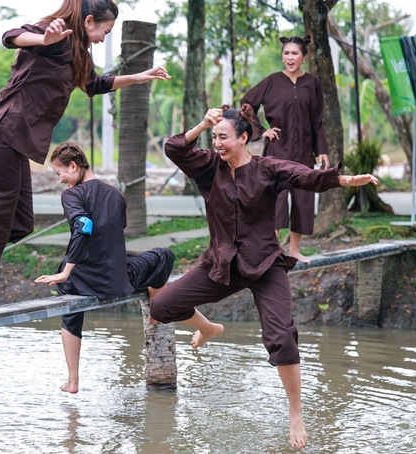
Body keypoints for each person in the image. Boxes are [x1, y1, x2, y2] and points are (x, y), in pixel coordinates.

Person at [0, 0, 171, 321]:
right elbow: (12, 35)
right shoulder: (56, 39)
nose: (105, 38)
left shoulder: (78, 51)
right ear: (89, 20)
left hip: (15, 144)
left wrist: (137, 77)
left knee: (19, 222)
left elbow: (94, 84)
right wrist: (43, 40)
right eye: (105, 31)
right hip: (1, 136)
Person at [149, 105, 377, 449]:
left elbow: (303, 175)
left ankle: (296, 413)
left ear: (244, 138)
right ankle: (208, 328)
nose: (217, 143)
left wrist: (341, 179)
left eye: (223, 137)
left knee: (281, 336)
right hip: (221, 264)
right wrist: (203, 124)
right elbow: (174, 148)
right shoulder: (209, 168)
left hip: (265, 265)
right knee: (162, 305)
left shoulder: (266, 168)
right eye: (215, 137)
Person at [35, 142, 175, 394]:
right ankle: (157, 307)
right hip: (119, 280)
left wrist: (66, 270)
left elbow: (84, 226)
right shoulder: (116, 194)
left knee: (67, 301)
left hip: (84, 281)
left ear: (74, 166)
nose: (60, 181)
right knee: (163, 256)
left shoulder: (71, 195)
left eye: (60, 173)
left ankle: (73, 380)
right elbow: (112, 233)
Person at [240, 35, 329, 264]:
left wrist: (322, 150)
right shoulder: (271, 81)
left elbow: (317, 119)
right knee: (276, 200)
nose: (290, 57)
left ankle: (294, 250)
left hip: (303, 152)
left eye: (295, 53)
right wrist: (261, 131)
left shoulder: (312, 83)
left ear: (304, 57)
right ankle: (273, 250)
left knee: (302, 200)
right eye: (286, 53)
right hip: (277, 150)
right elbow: (247, 105)